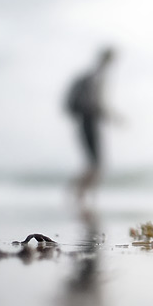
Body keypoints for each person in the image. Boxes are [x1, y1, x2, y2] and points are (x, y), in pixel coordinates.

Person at [65, 47, 117, 204]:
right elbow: (96, 103)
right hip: (89, 121)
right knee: (95, 164)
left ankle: (79, 196)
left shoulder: (92, 75)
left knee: (94, 163)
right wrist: (113, 116)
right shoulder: (96, 77)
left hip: (86, 121)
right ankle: (77, 196)